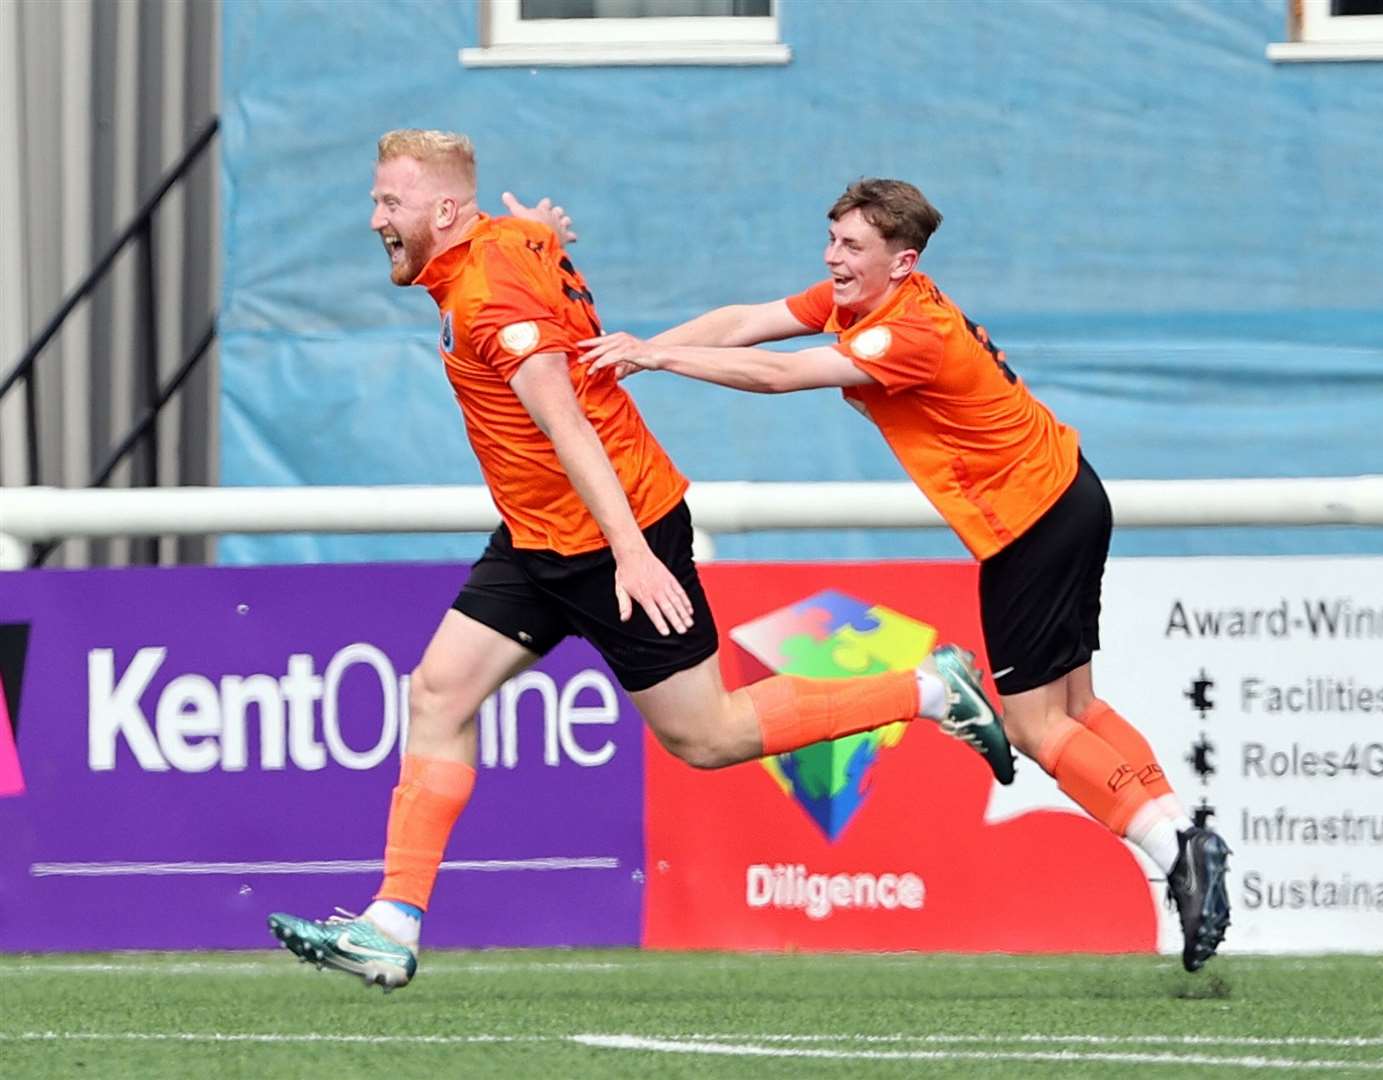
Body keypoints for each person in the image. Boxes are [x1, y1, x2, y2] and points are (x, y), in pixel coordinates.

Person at [267, 137, 1015, 991]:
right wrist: (542, 228)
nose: (374, 220)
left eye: (387, 205)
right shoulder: (504, 242)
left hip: (619, 530)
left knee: (708, 736)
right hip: (539, 537)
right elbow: (536, 241)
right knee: (437, 693)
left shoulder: (488, 304)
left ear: (443, 213)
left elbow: (568, 428)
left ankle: (925, 689)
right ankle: (391, 924)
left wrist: (632, 553)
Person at [578, 178, 1232, 972]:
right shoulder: (866, 299)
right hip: (1064, 497)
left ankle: (1177, 853)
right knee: (1077, 706)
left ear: (903, 260)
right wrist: (636, 352)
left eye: (851, 246)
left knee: (1033, 726)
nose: (833, 257)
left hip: (1031, 522)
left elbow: (782, 376)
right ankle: (1181, 842)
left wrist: (657, 355)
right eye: (832, 239)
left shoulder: (906, 333)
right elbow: (748, 323)